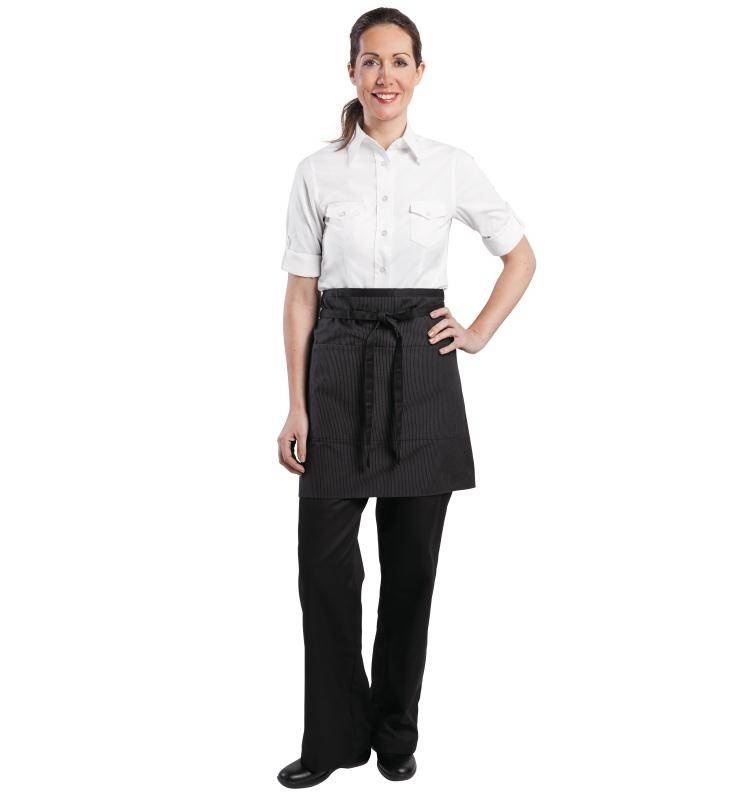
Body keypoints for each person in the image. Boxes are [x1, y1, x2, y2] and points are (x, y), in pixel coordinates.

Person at [276, 8, 536, 789]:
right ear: (351, 72)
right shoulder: (316, 172)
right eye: (370, 60)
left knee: (411, 571)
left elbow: (521, 256)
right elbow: (300, 296)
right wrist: (296, 405)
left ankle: (394, 732)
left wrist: (478, 332)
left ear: (420, 72)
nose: (384, 75)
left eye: (398, 61)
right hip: (336, 368)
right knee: (324, 573)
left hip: (420, 374)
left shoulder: (451, 165)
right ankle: (332, 740)